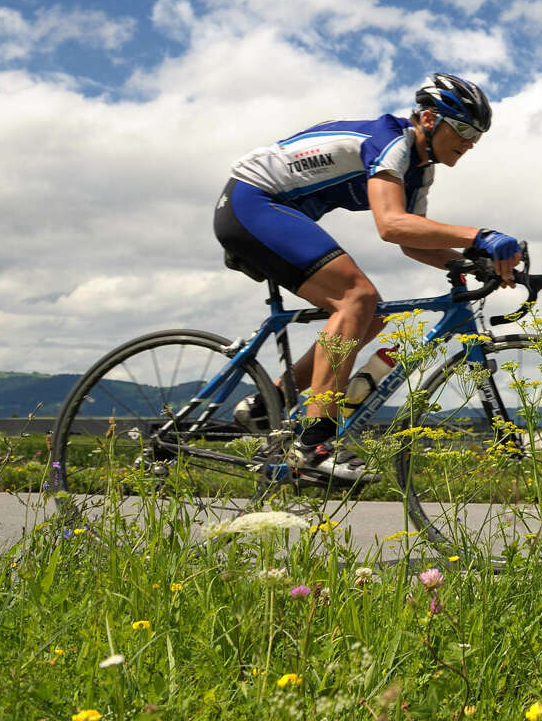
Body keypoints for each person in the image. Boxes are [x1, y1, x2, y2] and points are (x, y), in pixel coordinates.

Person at [213, 73, 521, 483]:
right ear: (429, 119)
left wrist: (470, 261)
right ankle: (314, 442)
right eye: (463, 129)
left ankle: (268, 405)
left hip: (274, 210)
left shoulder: (420, 170)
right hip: (253, 200)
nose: (469, 142)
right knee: (356, 297)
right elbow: (392, 225)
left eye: (477, 136)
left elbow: (414, 242)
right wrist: (480, 238)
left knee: (369, 313)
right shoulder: (392, 141)